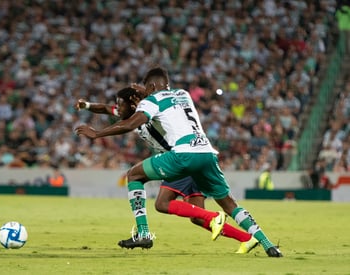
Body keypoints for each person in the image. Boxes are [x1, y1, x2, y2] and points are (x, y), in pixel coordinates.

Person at [76, 67, 283, 257]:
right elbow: (110, 109)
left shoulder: (148, 106)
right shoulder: (182, 94)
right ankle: (265, 243)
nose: (117, 110)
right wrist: (86, 105)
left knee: (139, 180)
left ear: (147, 90)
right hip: (206, 152)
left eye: (121, 106)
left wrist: (97, 134)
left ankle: (146, 233)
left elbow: (130, 123)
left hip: (181, 158)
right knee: (225, 206)